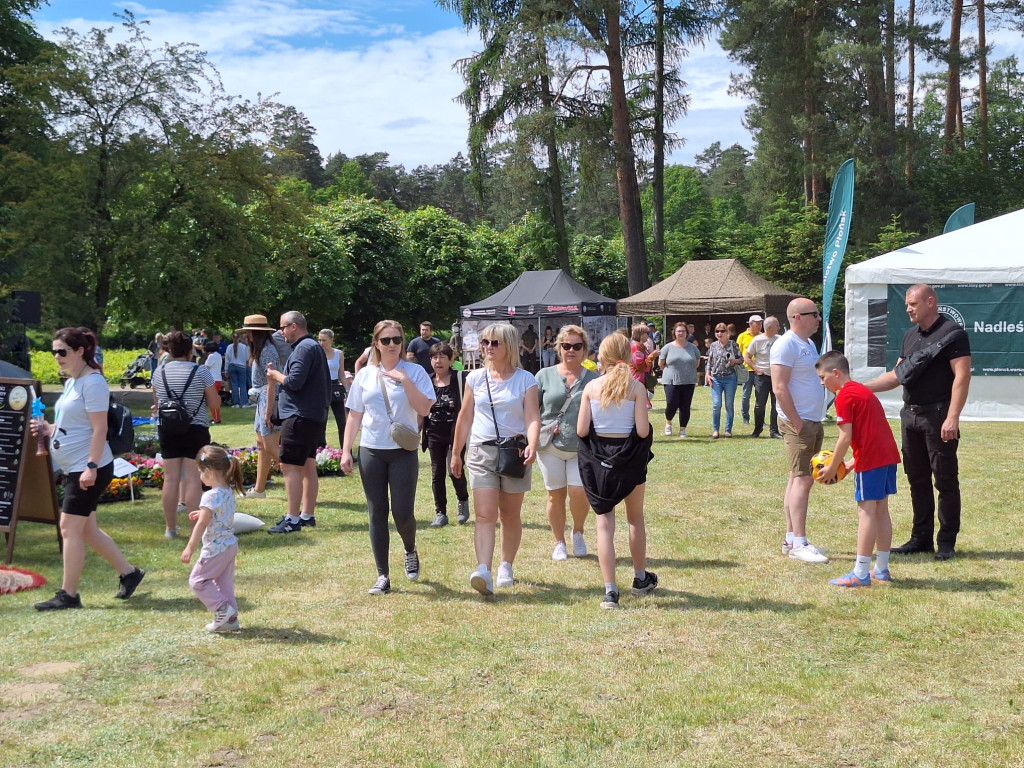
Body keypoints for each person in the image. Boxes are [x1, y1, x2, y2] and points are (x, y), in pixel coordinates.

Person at [32, 327, 145, 611]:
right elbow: (76, 424)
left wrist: (91, 467)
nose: (57, 357)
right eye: (54, 352)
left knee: (68, 528)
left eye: (62, 352)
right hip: (77, 466)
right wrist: (50, 428)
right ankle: (130, 574)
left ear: (80, 351)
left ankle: (68, 595)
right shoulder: (74, 380)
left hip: (88, 468)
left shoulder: (92, 383)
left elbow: (99, 430)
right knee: (87, 530)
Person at [865, 284, 971, 560]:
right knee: (917, 479)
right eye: (907, 305)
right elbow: (897, 375)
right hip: (910, 414)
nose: (908, 309)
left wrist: (952, 416)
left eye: (913, 304)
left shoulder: (953, 334)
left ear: (930, 302)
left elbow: (962, 376)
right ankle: (921, 538)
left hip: (938, 416)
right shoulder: (910, 335)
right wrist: (862, 388)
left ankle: (946, 542)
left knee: (945, 479)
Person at [341, 321, 435, 594]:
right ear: (376, 344)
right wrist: (346, 450)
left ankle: (409, 548)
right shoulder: (366, 376)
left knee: (403, 513)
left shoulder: (415, 372)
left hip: (402, 451)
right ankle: (382, 575)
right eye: (386, 340)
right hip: (371, 449)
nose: (392, 345)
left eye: (396, 339)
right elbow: (355, 414)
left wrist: (405, 381)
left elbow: (424, 409)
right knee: (376, 512)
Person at [451, 322, 540, 595]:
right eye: (485, 342)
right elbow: (465, 417)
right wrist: (456, 452)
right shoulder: (474, 378)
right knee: (484, 515)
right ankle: (483, 571)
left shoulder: (526, 380)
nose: (488, 348)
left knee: (510, 515)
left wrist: (533, 444)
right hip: (480, 452)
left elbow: (532, 417)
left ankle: (506, 565)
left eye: (494, 343)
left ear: (509, 346)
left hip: (515, 452)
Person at [577, 332, 656, 609]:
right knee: (635, 519)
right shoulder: (636, 388)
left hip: (600, 463)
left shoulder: (591, 388)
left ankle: (610, 590)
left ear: (603, 356)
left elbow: (582, 430)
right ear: (627, 354)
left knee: (604, 524)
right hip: (630, 460)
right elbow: (643, 431)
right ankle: (639, 577)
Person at [815, 352, 901, 587]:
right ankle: (881, 569)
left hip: (873, 459)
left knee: (866, 512)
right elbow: (869, 430)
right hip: (887, 456)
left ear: (836, 373)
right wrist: (850, 464)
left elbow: (845, 438)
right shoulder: (862, 390)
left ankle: (861, 573)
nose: (822, 383)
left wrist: (833, 467)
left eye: (823, 377)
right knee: (881, 510)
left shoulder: (844, 396)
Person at [771, 298, 828, 563]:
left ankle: (791, 537)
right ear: (796, 317)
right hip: (800, 422)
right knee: (804, 478)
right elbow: (779, 387)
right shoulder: (786, 344)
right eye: (814, 314)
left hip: (811, 420)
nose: (818, 318)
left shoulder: (808, 344)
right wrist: (796, 422)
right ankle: (799, 543)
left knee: (797, 477)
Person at [265, 311, 332, 534]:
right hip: (312, 416)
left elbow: (294, 382)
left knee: (290, 467)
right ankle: (307, 515)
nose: (280, 332)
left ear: (294, 326)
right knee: (307, 465)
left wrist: (275, 375)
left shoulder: (304, 348)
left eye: (282, 327)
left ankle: (292, 519)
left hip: (299, 416)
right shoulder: (312, 347)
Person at [535, 324, 597, 561]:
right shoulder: (544, 375)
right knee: (555, 495)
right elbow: (533, 411)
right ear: (559, 347)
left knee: (579, 493)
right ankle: (559, 541)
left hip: (581, 446)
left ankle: (578, 532)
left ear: (584, 350)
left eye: (577, 346)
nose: (571, 350)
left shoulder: (593, 378)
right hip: (549, 444)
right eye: (566, 345)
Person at [152, 330, 219, 537]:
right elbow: (214, 403)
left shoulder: (158, 372)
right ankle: (194, 530)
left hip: (167, 428)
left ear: (169, 350)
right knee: (192, 479)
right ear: (191, 350)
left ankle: (170, 528)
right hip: (195, 428)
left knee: (170, 479)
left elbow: (157, 404)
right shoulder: (201, 372)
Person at [180, 445, 245, 632]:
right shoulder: (227, 492)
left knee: (198, 581)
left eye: (200, 472)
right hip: (229, 545)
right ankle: (231, 621)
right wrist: (200, 513)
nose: (200, 476)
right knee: (223, 584)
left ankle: (223, 610)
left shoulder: (209, 496)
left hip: (215, 549)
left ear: (208, 471)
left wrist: (190, 547)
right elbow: (217, 514)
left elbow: (202, 525)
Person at [423, 342, 470, 528]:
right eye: (435, 357)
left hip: (455, 432)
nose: (438, 361)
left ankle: (463, 501)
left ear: (451, 360)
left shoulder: (461, 378)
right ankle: (440, 512)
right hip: (433, 432)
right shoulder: (427, 380)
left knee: (455, 470)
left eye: (443, 356)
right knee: (437, 473)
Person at [236, 315, 282, 499]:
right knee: (262, 445)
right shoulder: (260, 349)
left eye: (248, 331)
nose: (246, 335)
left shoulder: (267, 351)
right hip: (262, 398)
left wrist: (268, 411)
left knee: (271, 446)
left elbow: (273, 383)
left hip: (268, 398)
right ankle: (259, 489)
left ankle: (300, 479)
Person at [658, 321, 700, 438]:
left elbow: (696, 362)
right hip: (671, 380)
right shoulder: (667, 347)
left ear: (687, 333)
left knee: (685, 406)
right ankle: (668, 422)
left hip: (688, 381)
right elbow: (661, 364)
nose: (680, 333)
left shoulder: (693, 348)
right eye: (678, 331)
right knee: (671, 403)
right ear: (674, 333)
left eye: (683, 331)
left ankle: (682, 429)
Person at [744, 316, 782, 439]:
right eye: (777, 325)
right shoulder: (757, 340)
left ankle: (774, 430)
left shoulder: (781, 340)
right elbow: (747, 357)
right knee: (760, 405)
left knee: (776, 404)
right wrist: (756, 369)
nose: (779, 328)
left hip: (777, 377)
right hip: (762, 377)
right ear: (770, 327)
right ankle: (757, 429)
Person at [705, 323, 742, 438]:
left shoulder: (733, 344)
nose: (719, 333)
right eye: (717, 331)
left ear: (727, 333)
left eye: (722, 331)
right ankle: (715, 430)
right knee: (716, 404)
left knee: (729, 405)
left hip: (730, 377)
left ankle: (728, 430)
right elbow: (709, 361)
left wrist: (734, 361)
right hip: (716, 378)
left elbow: (742, 358)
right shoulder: (713, 345)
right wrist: (707, 374)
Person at [318, 329, 347, 448]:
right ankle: (322, 451)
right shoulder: (317, 353)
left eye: (324, 340)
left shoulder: (338, 353)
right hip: (321, 387)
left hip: (335, 387)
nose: (321, 343)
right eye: (319, 340)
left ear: (331, 340)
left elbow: (341, 374)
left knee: (342, 423)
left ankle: (346, 451)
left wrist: (348, 390)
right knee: (321, 422)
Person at [737, 315, 763, 426]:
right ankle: (745, 418)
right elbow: (738, 353)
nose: (760, 325)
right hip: (746, 370)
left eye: (761, 323)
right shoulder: (742, 336)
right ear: (750, 324)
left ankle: (760, 420)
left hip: (760, 370)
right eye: (757, 323)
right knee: (745, 395)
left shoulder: (763, 336)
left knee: (760, 396)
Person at [629, 323, 658, 405]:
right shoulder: (636, 347)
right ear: (641, 334)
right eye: (647, 333)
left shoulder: (640, 346)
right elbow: (640, 366)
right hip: (637, 379)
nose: (648, 335)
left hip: (640, 380)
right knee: (640, 405)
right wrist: (652, 356)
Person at [225, 333, 250, 408]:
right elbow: (247, 358)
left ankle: (236, 403)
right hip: (241, 366)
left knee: (234, 385)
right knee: (243, 385)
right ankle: (244, 403)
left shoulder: (229, 347)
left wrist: (226, 370)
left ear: (232, 338)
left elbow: (227, 359)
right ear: (239, 338)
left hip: (232, 366)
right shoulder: (244, 347)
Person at [203, 340, 223, 423]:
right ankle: (215, 417)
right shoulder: (218, 355)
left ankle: (216, 418)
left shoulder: (211, 356)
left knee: (212, 400)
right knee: (214, 399)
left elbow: (206, 367)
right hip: (218, 379)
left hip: (212, 380)